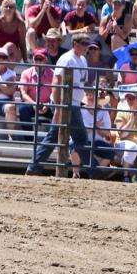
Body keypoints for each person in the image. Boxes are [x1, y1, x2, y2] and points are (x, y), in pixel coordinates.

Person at [27, 34, 93, 177]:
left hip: (73, 103)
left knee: (53, 137)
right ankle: (95, 170)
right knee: (81, 138)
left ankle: (34, 167)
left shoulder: (82, 60)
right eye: (84, 44)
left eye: (88, 44)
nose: (86, 47)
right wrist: (58, 107)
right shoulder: (67, 59)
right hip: (66, 104)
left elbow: (81, 83)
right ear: (75, 44)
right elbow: (56, 82)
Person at [18, 48, 55, 126]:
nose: (38, 61)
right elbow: (23, 94)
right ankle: (28, 134)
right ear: (33, 60)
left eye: (41, 59)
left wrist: (48, 105)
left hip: (48, 105)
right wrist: (34, 104)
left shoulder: (53, 74)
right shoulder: (26, 73)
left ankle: (53, 133)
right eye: (36, 59)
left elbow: (55, 94)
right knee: (23, 109)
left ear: (46, 60)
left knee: (59, 110)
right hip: (31, 103)